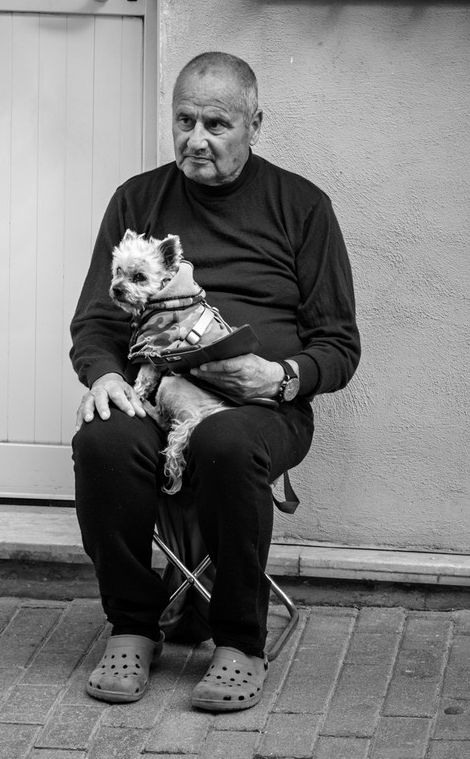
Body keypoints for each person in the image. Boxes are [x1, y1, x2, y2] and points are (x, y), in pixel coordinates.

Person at [70, 51, 360, 711]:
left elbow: (340, 345)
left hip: (264, 406)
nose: (195, 138)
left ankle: (238, 640)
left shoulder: (302, 207)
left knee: (227, 442)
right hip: (158, 392)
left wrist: (283, 378)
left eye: (216, 124)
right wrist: (106, 376)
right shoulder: (138, 201)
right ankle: (134, 624)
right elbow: (95, 322)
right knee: (103, 441)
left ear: (254, 124)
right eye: (184, 120)